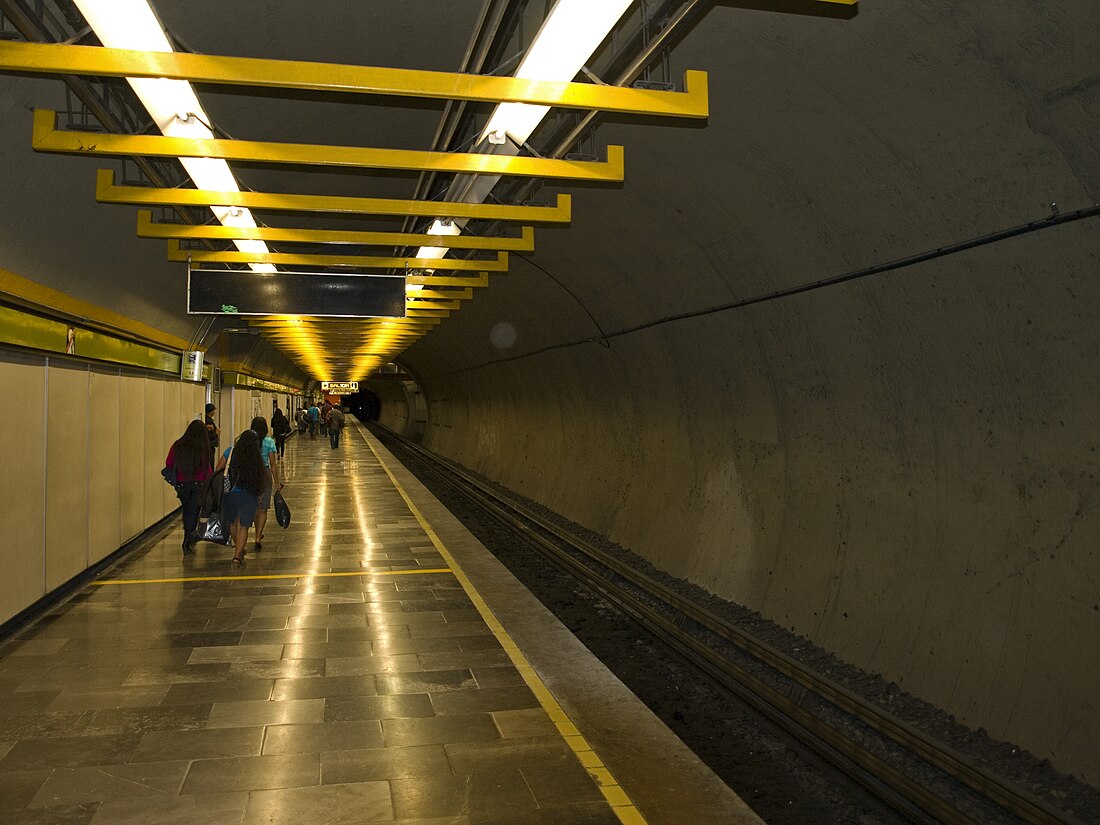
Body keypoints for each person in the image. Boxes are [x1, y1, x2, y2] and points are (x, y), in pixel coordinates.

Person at [214, 430, 265, 565]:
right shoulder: (256, 456)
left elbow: (218, 469)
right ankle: (237, 554)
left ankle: (239, 548)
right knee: (244, 526)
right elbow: (260, 477)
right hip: (249, 494)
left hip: (230, 493)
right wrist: (260, 494)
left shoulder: (230, 452)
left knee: (233, 523)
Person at [164, 420, 213, 554]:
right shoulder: (202, 446)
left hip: (182, 484)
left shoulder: (177, 445)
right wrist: (211, 481)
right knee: (194, 510)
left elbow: (169, 463)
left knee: (187, 509)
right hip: (199, 483)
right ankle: (189, 537)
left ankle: (188, 535)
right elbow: (206, 466)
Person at [246, 415, 282, 551]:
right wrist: (277, 482)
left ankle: (257, 532)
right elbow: (273, 464)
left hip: (250, 474)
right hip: (265, 474)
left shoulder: (248, 441)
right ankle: (258, 535)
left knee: (254, 504)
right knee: (263, 507)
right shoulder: (269, 442)